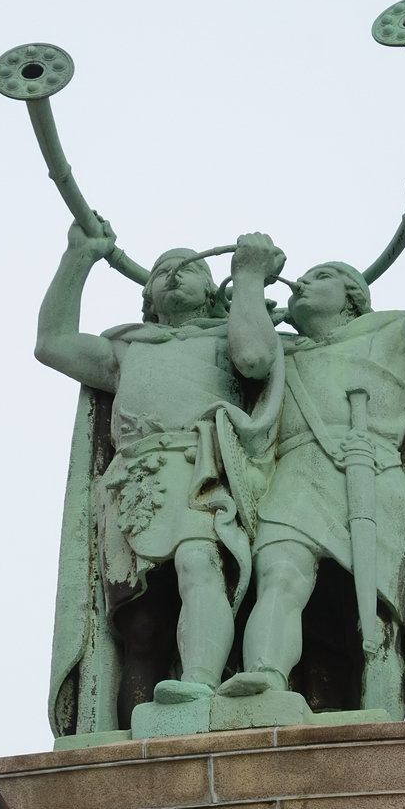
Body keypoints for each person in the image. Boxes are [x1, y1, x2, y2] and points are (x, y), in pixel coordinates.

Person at [219, 158, 405, 733]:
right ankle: (264, 676)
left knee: (378, 611)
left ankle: (383, 711)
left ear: (353, 294)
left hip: (373, 475)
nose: (302, 283)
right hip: (295, 473)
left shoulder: (393, 338)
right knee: (281, 575)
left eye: (319, 276)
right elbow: (249, 356)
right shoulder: (280, 355)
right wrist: (248, 277)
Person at [36, 222, 283, 730]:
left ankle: (199, 683)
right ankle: (135, 736)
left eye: (188, 268)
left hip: (201, 469)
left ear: (214, 290)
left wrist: (251, 278)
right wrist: (78, 258)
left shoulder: (226, 335)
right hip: (134, 485)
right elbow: (52, 342)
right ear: (147, 296)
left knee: (201, 563)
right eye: (163, 271)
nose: (173, 276)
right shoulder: (129, 348)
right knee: (141, 625)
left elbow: (256, 358)